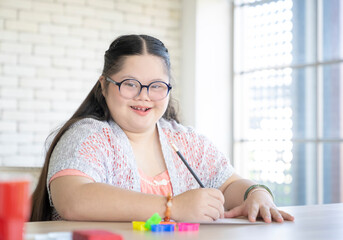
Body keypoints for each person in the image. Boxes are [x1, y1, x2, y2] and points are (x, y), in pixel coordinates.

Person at [30, 34, 294, 223]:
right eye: (130, 84)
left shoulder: (187, 140)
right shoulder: (87, 136)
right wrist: (173, 207)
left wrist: (255, 193)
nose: (144, 96)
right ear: (104, 85)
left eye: (156, 86)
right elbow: (74, 200)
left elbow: (228, 185)